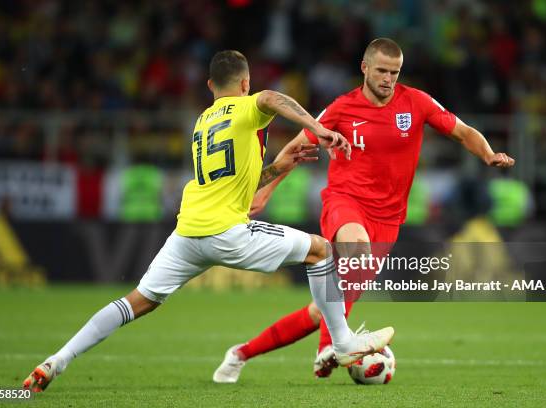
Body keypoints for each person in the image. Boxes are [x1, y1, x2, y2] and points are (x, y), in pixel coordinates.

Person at [22, 50, 395, 392]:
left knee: (137, 301)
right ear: (246, 83)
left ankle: (56, 361)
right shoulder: (248, 106)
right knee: (321, 251)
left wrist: (276, 169)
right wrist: (318, 127)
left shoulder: (202, 122)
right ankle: (343, 342)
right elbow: (270, 99)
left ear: (209, 85)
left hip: (187, 233)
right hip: (227, 232)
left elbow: (234, 183)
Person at [212, 38, 515, 383]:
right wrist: (267, 188)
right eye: (382, 71)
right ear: (365, 68)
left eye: (395, 72)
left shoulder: (415, 102)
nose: (388, 79)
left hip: (388, 219)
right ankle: (331, 349)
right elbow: (298, 146)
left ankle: (241, 353)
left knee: (322, 309)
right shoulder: (342, 108)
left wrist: (488, 154)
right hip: (345, 200)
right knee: (357, 250)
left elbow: (462, 132)